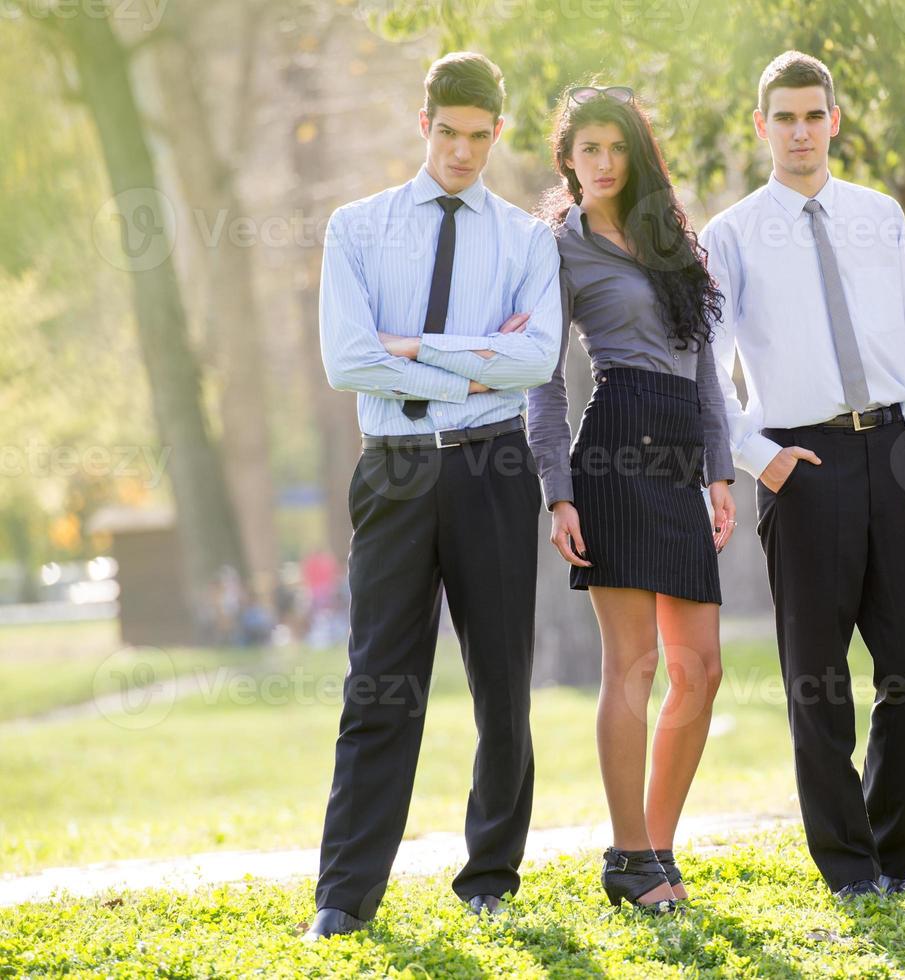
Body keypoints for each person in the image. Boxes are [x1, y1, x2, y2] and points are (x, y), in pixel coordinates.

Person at [307, 52, 561, 940]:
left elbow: (537, 362)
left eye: (479, 137)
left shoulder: (527, 240)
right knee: (379, 683)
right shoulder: (358, 228)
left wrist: (412, 350)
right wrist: (473, 358)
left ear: (499, 133)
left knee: (502, 683)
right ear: (424, 126)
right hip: (397, 467)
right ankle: (344, 896)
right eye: (448, 133)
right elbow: (348, 359)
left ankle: (490, 876)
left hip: (493, 469)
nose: (462, 152)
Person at [702, 51, 905, 899]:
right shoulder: (730, 235)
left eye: (814, 115)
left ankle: (890, 853)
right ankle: (847, 869)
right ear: (763, 126)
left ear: (834, 121)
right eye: (785, 118)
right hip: (801, 465)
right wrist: (757, 455)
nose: (801, 131)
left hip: (893, 453)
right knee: (819, 678)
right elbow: (709, 365)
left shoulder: (879, 216)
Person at [528, 85, 736, 913]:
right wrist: (558, 492)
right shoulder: (558, 249)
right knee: (635, 665)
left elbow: (705, 364)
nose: (604, 164)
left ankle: (654, 846)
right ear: (568, 162)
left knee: (703, 668)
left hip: (681, 452)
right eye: (589, 151)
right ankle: (629, 854)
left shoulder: (669, 238)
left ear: (635, 153)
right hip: (612, 446)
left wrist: (719, 472)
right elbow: (542, 380)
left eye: (617, 148)